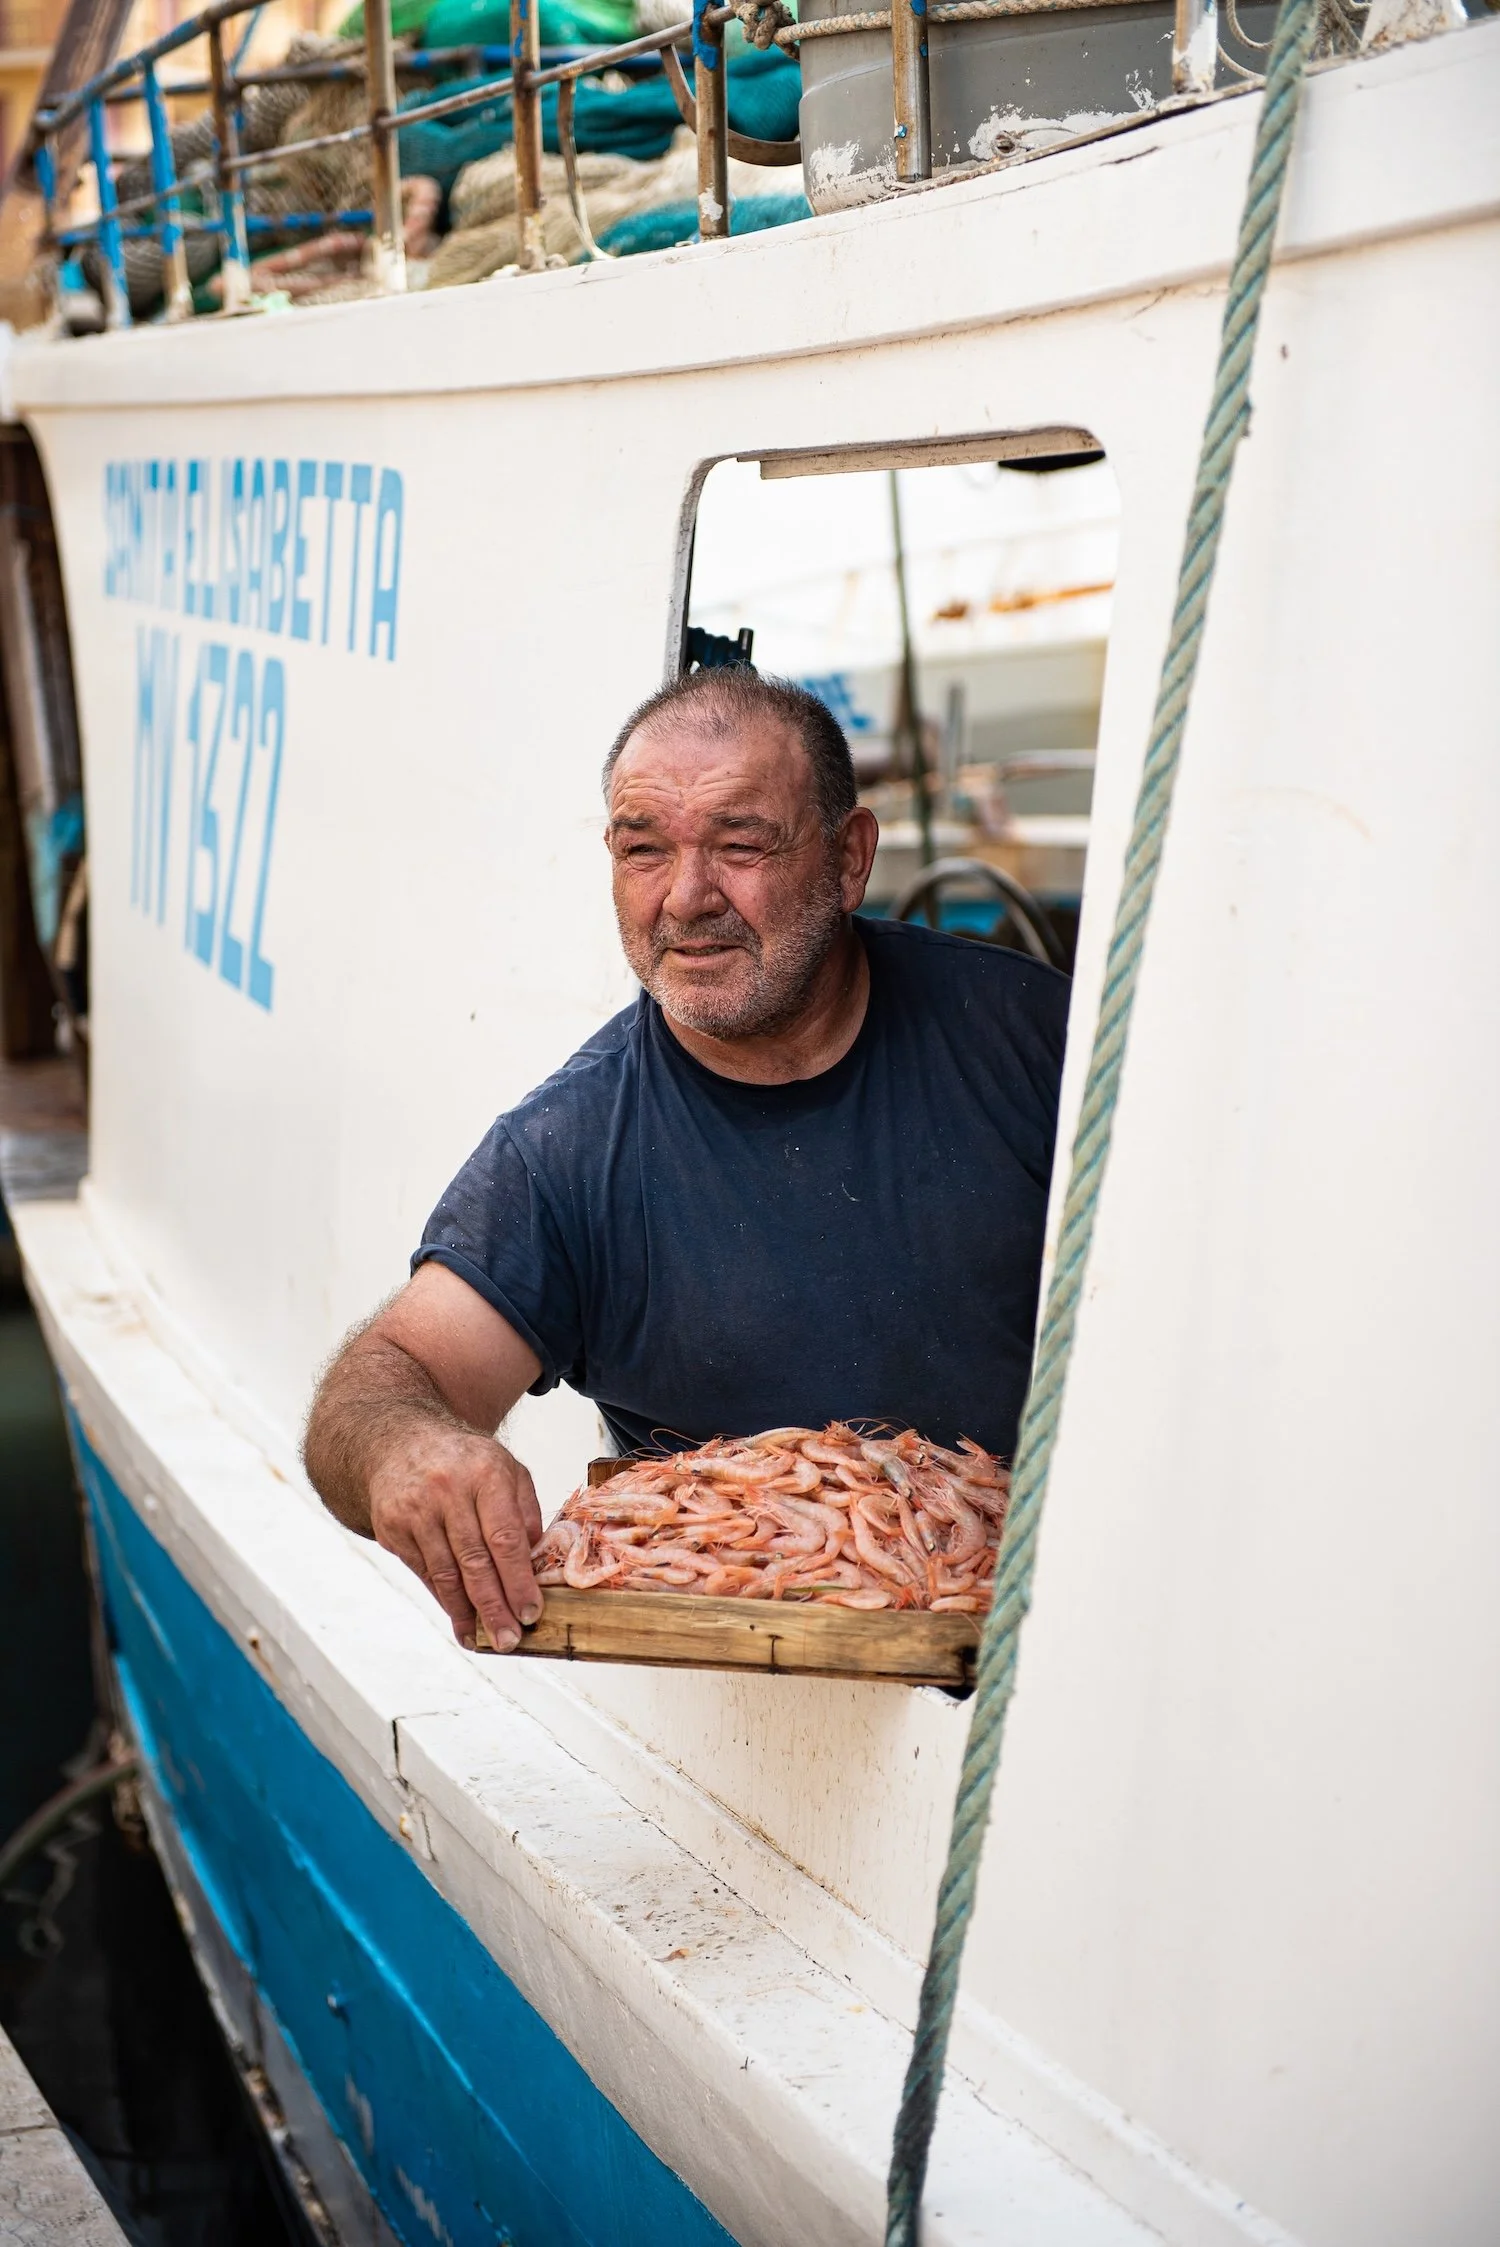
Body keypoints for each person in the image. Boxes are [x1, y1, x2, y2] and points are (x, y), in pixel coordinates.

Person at [303, 667, 1070, 1653]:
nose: (687, 897)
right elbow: (384, 1382)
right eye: (643, 851)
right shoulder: (565, 1154)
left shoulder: (1033, 1038)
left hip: (1061, 1658)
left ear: (849, 860)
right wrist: (407, 1449)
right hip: (749, 1697)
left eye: (741, 845)